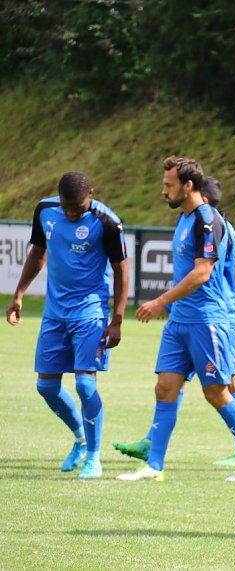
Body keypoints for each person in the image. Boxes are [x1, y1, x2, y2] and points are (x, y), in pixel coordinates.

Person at [117, 156, 235, 482]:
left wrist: (160, 301)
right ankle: (154, 466)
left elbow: (203, 272)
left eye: (168, 185)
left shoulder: (206, 221)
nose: (163, 191)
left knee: (215, 392)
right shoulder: (184, 219)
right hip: (181, 321)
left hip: (208, 320)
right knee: (165, 387)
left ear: (188, 186)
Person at [5, 172, 129, 479]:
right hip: (54, 313)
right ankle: (80, 438)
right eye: (67, 207)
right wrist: (19, 294)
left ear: (91, 195)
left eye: (78, 207)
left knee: (85, 384)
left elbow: (121, 270)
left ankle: (94, 456)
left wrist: (117, 319)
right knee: (46, 386)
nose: (72, 213)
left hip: (90, 312)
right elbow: (38, 251)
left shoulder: (107, 222)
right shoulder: (44, 210)